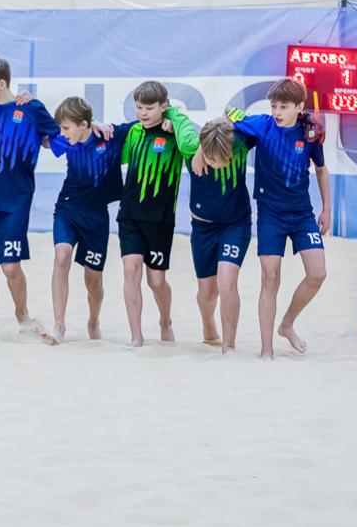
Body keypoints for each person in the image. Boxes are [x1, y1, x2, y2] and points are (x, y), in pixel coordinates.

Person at [230, 78, 330, 359]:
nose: (276, 111)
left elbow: (321, 170)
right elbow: (227, 119)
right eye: (273, 105)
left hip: (302, 213)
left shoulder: (310, 134)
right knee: (270, 277)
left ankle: (286, 324)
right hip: (270, 214)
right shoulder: (261, 125)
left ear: (299, 107)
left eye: (283, 107)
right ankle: (266, 349)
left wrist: (327, 208)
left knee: (318, 274)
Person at [0, 58, 59, 338]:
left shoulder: (31, 108)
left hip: (16, 200)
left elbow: (59, 136)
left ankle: (23, 314)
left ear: (2, 83)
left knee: (10, 266)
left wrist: (96, 128)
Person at [115, 81, 198, 347]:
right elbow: (120, 157)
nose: (143, 112)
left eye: (149, 108)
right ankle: (136, 336)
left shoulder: (175, 134)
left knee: (156, 281)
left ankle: (165, 321)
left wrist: (174, 118)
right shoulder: (134, 132)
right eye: (139, 107)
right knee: (131, 270)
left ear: (164, 106)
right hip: (129, 214)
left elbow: (191, 147)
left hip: (160, 219)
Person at [40, 97, 127, 346]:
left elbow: (144, 123)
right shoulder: (65, 139)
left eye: (67, 127)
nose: (62, 133)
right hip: (67, 208)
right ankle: (59, 325)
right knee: (62, 256)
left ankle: (93, 321)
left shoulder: (110, 137)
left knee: (93, 281)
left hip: (96, 217)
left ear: (84, 124)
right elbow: (44, 140)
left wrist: (170, 116)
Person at [188, 115, 254, 353]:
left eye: (221, 160)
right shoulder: (189, 146)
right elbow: (175, 115)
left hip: (235, 224)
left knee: (226, 281)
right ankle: (208, 327)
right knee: (207, 293)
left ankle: (229, 345)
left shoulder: (240, 141)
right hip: (203, 227)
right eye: (210, 158)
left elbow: (237, 112)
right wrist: (199, 149)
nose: (215, 164)